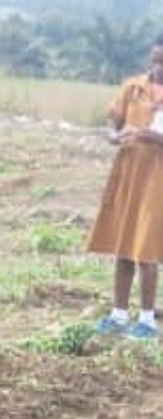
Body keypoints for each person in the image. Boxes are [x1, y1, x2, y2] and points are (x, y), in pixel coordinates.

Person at [87, 34, 163, 341]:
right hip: (128, 173)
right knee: (123, 246)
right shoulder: (133, 89)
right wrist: (116, 132)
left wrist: (141, 133)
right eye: (154, 59)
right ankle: (118, 313)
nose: (157, 66)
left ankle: (147, 319)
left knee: (147, 248)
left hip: (156, 179)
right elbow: (116, 126)